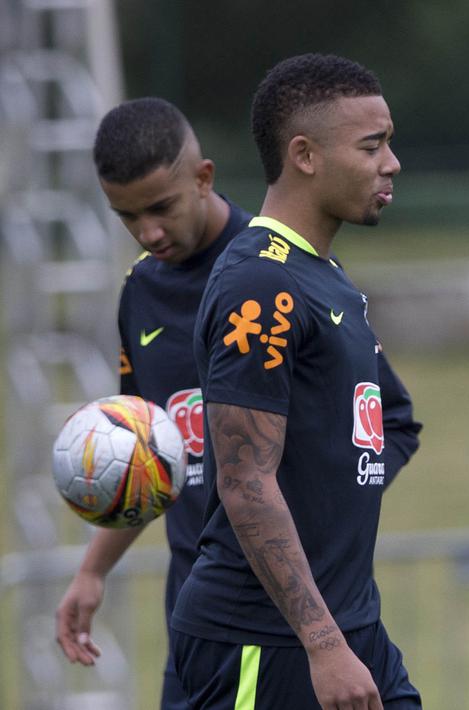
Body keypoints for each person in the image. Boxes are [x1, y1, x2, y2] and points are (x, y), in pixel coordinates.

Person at [170, 53, 423, 709]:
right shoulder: (261, 282)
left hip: (351, 626)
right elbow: (245, 478)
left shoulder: (324, 275)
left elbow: (394, 423)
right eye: (372, 146)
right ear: (304, 154)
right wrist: (322, 644)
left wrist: (330, 501)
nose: (390, 163)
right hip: (265, 643)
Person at [54, 97, 253, 710]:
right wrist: (93, 569)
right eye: (127, 216)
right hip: (190, 613)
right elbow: (150, 456)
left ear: (204, 177)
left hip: (267, 619)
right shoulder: (140, 289)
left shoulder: (277, 274)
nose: (149, 233)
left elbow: (388, 428)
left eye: (161, 208)